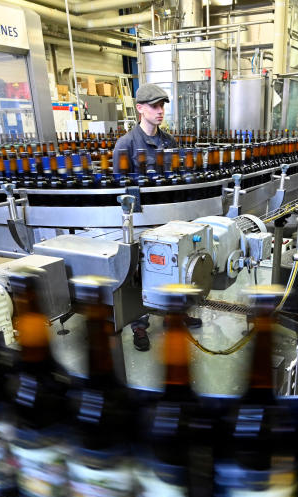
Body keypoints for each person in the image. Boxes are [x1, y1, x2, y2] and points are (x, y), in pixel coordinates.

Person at [112, 84, 201, 351]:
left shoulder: (168, 142)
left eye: (162, 106)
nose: (160, 111)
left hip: (168, 219)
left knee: (175, 264)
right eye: (154, 106)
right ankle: (139, 325)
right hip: (141, 220)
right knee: (140, 273)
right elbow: (120, 190)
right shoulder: (126, 144)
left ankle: (175, 314)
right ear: (140, 108)